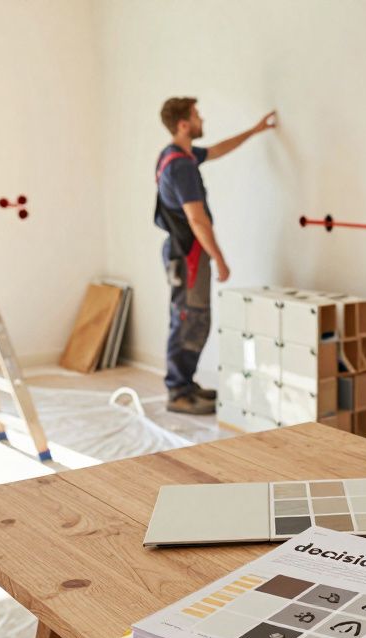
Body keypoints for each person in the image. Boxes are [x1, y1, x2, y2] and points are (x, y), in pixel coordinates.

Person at [154, 98, 276, 413]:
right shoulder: (181, 167)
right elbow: (197, 219)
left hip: (181, 251)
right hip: (189, 254)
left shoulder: (175, 155)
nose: (202, 119)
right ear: (184, 124)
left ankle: (184, 383)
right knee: (190, 320)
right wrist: (219, 258)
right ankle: (178, 392)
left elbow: (218, 149)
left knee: (188, 317)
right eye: (196, 116)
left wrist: (255, 130)